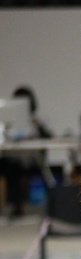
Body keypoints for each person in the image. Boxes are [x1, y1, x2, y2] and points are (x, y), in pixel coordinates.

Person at [0, 85, 53, 216]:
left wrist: (38, 126)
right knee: (12, 168)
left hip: (32, 160)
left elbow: (50, 137)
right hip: (12, 159)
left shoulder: (39, 118)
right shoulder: (7, 121)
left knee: (19, 169)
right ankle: (14, 206)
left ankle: (52, 205)